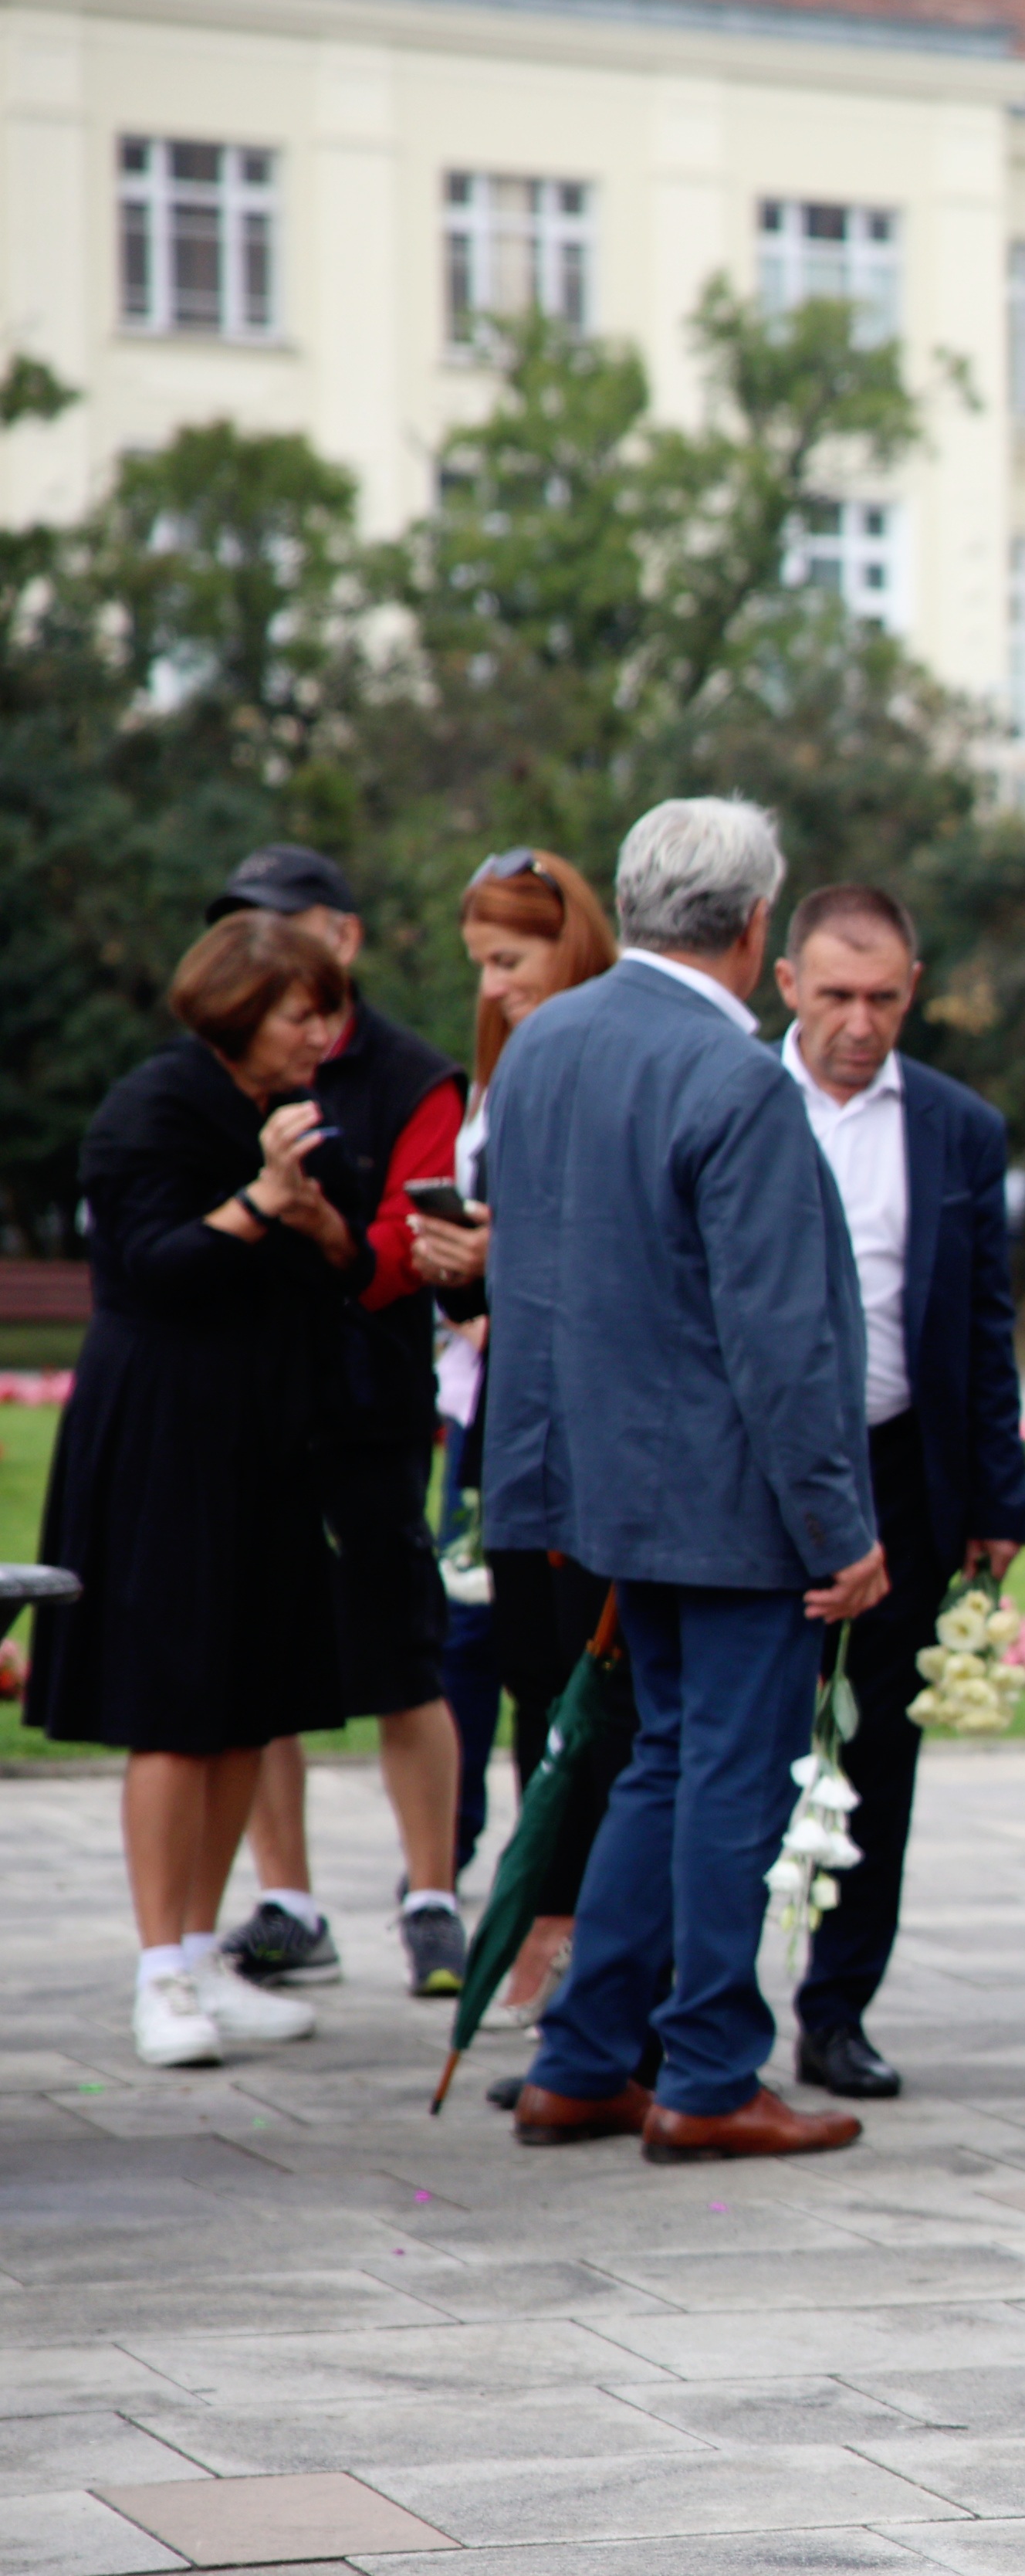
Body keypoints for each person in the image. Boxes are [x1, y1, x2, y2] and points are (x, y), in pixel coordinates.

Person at [479, 798, 885, 2164]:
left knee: (662, 1761)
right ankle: (709, 2071)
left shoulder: (545, 1049)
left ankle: (588, 2058)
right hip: (726, 1499)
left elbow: (523, 1286)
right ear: (759, 923)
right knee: (724, 1774)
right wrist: (842, 1529)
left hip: (596, 1484)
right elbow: (781, 1341)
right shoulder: (734, 1081)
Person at [26, 912, 357, 2067]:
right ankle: (158, 1970)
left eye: (328, 1009)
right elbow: (149, 1273)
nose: (323, 1031)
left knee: (243, 1700)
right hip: (162, 1431)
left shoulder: (293, 1118)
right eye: (300, 1011)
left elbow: (347, 1267)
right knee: (171, 1703)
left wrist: (321, 1223)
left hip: (263, 1435)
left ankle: (207, 1950)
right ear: (237, 1012)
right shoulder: (154, 1109)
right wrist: (264, 1202)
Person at [770, 886, 1025, 2101]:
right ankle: (693, 2003)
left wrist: (996, 1500)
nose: (859, 1022)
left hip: (900, 1476)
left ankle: (837, 2012)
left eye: (882, 998)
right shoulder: (738, 1102)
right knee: (732, 1741)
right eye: (835, 995)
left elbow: (981, 1330)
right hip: (750, 1478)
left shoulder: (956, 1128)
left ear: (914, 989)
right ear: (786, 987)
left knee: (878, 1751)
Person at [202, 846, 472, 1998]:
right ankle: (288, 1896)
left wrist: (319, 1235)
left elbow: (409, 1256)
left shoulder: (413, 1075)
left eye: (281, 930)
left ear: (345, 940)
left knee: (403, 1653)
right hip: (249, 1400)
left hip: (366, 1403)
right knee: (264, 1648)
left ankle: (431, 1896)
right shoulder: (211, 1069)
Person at [422, 849, 623, 2018]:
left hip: (594, 1426)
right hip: (510, 1422)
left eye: (514, 959)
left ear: (575, 945)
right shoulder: (500, 1080)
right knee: (527, 1674)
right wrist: (456, 1274)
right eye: (483, 967)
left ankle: (578, 1924)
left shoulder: (607, 1062)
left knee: (587, 1676)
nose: (496, 986)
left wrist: (510, 1269)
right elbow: (489, 1301)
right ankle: (548, 1909)